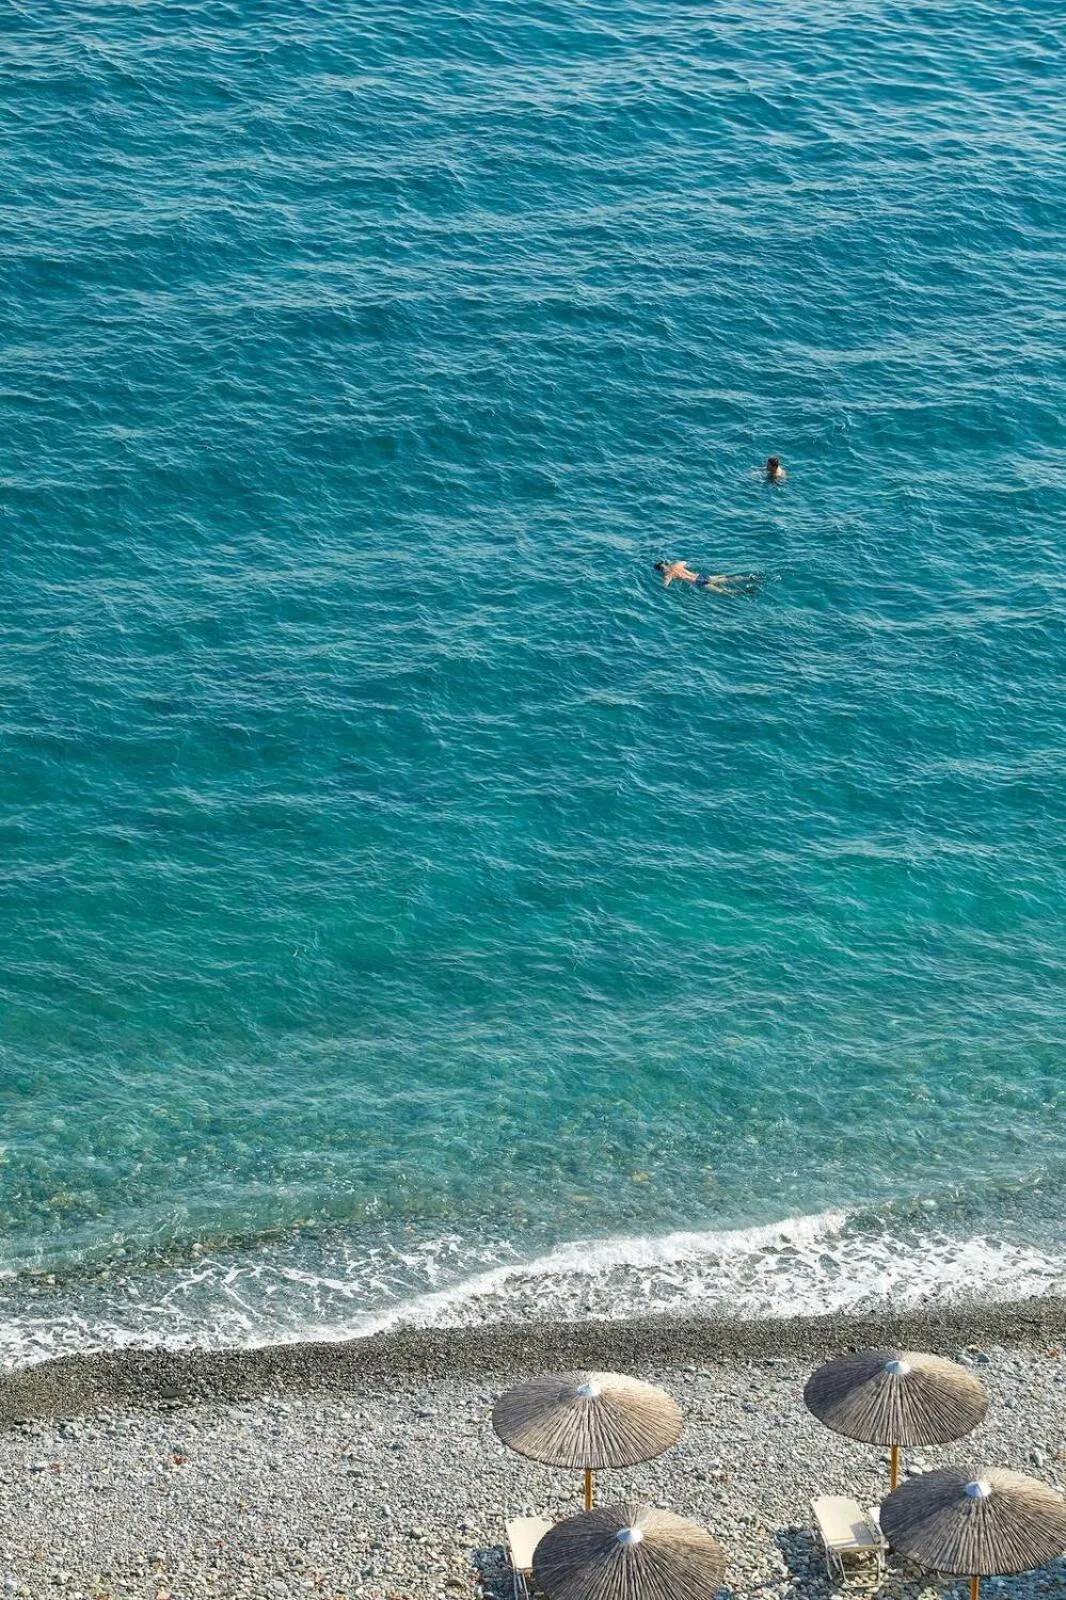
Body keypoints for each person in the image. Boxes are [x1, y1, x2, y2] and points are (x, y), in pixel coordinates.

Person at [654, 562, 761, 594]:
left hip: (697, 582)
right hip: (702, 576)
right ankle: (748, 578)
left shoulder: (667, 575)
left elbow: (664, 586)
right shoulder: (676, 565)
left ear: (660, 570)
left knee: (723, 592)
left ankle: (746, 592)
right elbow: (685, 562)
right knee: (727, 579)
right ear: (665, 564)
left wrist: (660, 587)